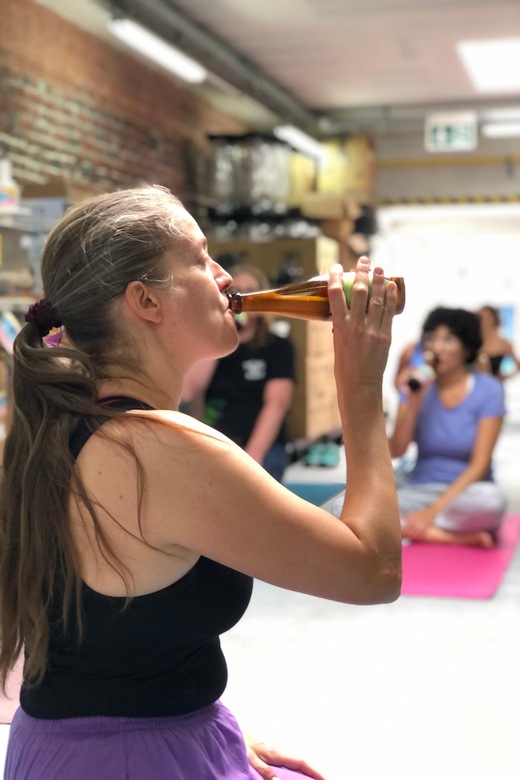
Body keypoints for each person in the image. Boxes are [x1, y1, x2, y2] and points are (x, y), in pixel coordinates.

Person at [0, 186, 401, 780]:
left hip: (60, 749)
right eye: (200, 256)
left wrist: (206, 728)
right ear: (145, 301)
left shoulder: (48, 430)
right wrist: (364, 391)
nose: (222, 275)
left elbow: (94, 653)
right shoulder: (158, 447)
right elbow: (374, 571)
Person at [390, 307, 507, 547]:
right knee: (344, 509)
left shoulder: (489, 390)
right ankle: (452, 537)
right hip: (419, 486)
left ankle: (407, 529)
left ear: (467, 348)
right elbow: (396, 450)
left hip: (466, 493)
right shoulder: (417, 386)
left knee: (492, 503)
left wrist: (432, 511)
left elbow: (480, 465)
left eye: (448, 339)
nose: (437, 347)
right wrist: (413, 403)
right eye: (432, 338)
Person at [182, 264, 295, 482]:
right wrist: (219, 336)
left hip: (262, 448)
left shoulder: (278, 346)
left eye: (250, 291)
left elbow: (277, 404)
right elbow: (188, 392)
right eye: (236, 291)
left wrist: (252, 459)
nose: (242, 298)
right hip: (218, 444)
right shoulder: (212, 346)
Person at [477, 305, 520, 380]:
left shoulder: (503, 343)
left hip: (495, 385)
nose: (484, 321)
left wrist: (506, 376)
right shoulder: (473, 341)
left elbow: (518, 364)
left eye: (487, 317)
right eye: (481, 317)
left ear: (494, 319)